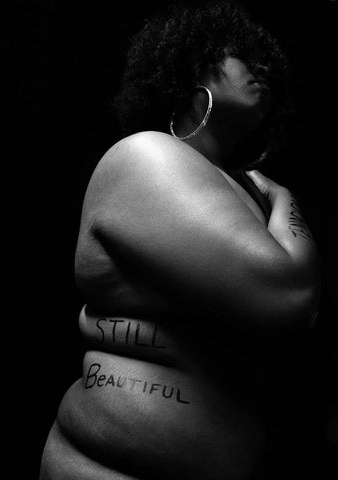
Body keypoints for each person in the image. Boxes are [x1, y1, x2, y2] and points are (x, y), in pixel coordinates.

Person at [40, 1, 321, 478]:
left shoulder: (238, 195)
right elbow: (290, 294)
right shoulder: (146, 156)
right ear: (191, 68)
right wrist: (284, 197)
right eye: (239, 53)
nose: (261, 66)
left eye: (265, 59)